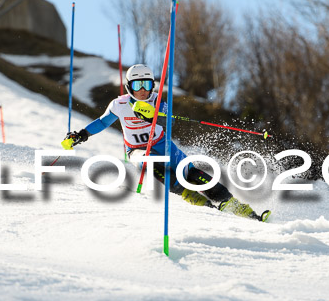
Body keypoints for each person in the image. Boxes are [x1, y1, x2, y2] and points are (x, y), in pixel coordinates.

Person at [61, 64, 270, 222]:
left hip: (163, 145)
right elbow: (102, 122)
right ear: (129, 87)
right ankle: (200, 203)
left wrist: (153, 117)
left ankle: (241, 210)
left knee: (195, 175)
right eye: (138, 85)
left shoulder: (157, 101)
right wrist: (81, 135)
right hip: (137, 150)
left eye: (147, 84)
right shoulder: (119, 104)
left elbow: (166, 121)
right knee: (149, 162)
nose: (143, 90)